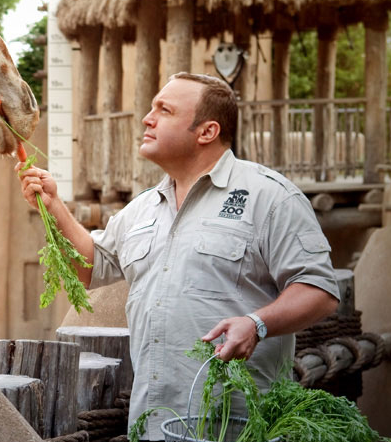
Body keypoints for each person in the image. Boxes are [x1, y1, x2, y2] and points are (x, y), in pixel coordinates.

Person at [17, 72, 339, 440]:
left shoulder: (271, 197)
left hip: (241, 429)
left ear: (206, 132)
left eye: (164, 110)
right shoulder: (141, 209)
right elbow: (92, 268)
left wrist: (256, 323)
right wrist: (53, 204)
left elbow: (320, 290)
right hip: (152, 425)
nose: (147, 118)